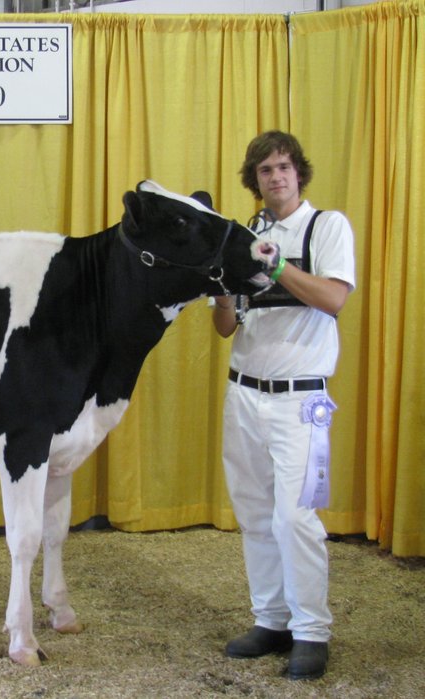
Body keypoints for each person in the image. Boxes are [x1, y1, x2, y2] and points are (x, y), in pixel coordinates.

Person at [212, 131, 356, 680]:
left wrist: (274, 269)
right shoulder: (245, 233)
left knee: (296, 517)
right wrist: (224, 287)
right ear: (255, 180)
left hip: (302, 398)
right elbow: (227, 326)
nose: (275, 177)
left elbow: (334, 298)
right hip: (245, 391)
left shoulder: (327, 226)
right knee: (253, 513)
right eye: (266, 170)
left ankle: (312, 631)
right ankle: (271, 619)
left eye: (284, 167)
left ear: (300, 173)